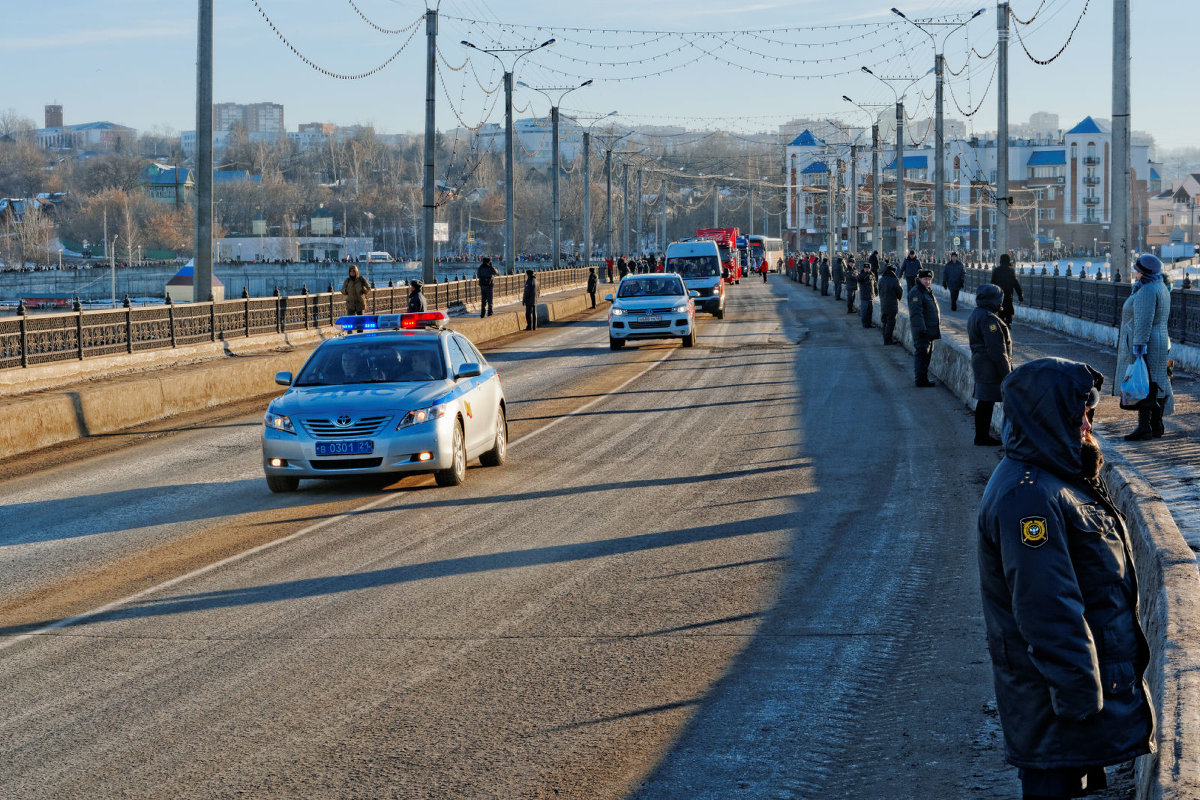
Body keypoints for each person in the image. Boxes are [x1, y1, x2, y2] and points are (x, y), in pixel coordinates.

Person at [977, 357, 1154, 800]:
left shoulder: (1055, 477)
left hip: (1071, 703)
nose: (1089, 424)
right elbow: (1048, 611)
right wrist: (1080, 702)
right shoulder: (1029, 496)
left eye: (1090, 414)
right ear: (1048, 415)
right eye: (1081, 414)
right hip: (1058, 709)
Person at [1115, 253, 1174, 441]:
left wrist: (1139, 347)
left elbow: (1143, 321)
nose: (1136, 274)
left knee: (1144, 383)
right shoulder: (1160, 287)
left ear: (1145, 273)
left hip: (1148, 342)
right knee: (1157, 383)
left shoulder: (1147, 291)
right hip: (1160, 340)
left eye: (1138, 272)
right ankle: (1156, 425)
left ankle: (1144, 426)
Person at [967, 284, 1011, 446]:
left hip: (981, 364)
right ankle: (982, 437)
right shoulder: (989, 319)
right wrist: (1007, 373)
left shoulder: (977, 314)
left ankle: (981, 435)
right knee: (986, 403)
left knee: (984, 402)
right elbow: (997, 350)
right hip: (989, 368)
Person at [907, 268, 940, 387]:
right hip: (923, 331)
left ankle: (923, 379)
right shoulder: (917, 292)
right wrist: (921, 330)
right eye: (925, 279)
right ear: (919, 279)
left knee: (926, 356)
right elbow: (916, 313)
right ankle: (920, 380)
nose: (928, 281)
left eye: (929, 279)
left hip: (929, 330)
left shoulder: (926, 291)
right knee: (921, 355)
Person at [991, 252, 1024, 328]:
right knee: (1008, 309)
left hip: (998, 294)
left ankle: (1001, 323)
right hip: (1008, 294)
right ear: (1009, 261)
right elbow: (1016, 284)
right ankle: (1008, 323)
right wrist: (1020, 295)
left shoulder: (996, 270)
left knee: (1000, 309)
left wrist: (991, 295)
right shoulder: (1011, 271)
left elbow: (992, 283)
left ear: (1001, 261)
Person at [878, 260, 903, 345]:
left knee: (885, 322)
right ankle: (888, 340)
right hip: (892, 305)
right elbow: (900, 292)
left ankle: (885, 339)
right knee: (891, 322)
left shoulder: (881, 280)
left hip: (883, 304)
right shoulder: (895, 280)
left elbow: (879, 291)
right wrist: (898, 298)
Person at [856, 260, 876, 328]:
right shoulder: (861, 274)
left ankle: (869, 323)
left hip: (870, 296)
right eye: (865, 268)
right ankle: (865, 324)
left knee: (870, 312)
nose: (866, 269)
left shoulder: (872, 274)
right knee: (864, 312)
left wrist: (875, 291)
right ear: (863, 268)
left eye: (868, 268)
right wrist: (864, 274)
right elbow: (858, 279)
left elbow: (874, 283)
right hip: (864, 296)